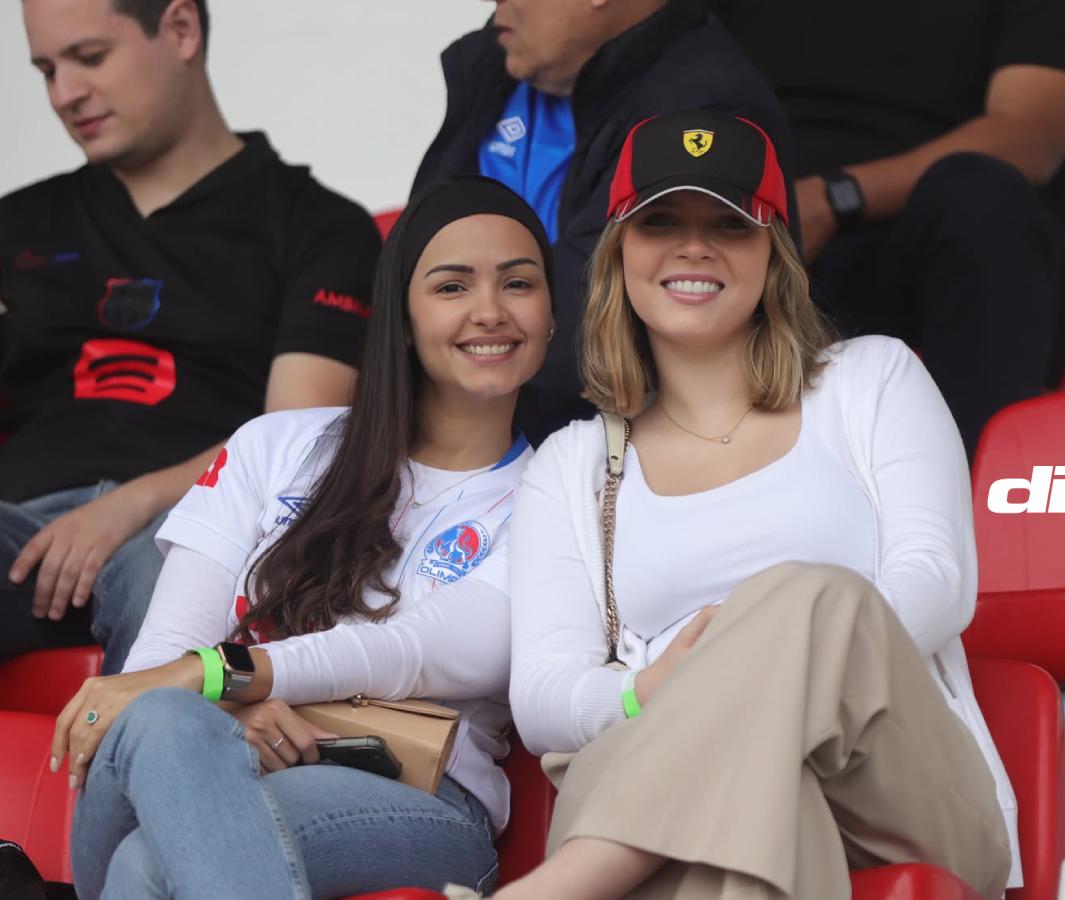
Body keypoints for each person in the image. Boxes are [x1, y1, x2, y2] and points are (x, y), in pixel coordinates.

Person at [497, 113, 1018, 899]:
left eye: (729, 224)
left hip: (895, 792)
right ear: (619, 252)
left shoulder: (872, 380)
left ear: (773, 252)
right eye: (660, 222)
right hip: (686, 791)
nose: (694, 247)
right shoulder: (570, 466)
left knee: (813, 595)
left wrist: (746, 661)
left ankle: (563, 885)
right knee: (759, 801)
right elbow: (543, 697)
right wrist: (642, 691)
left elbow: (939, 584)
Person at [53, 175, 554, 898]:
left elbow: (411, 650)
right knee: (158, 723)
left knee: (149, 859)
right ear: (401, 318)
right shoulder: (275, 447)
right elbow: (159, 664)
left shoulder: (557, 494)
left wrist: (218, 676)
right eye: (452, 286)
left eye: (518, 283)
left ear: (553, 314)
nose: (489, 311)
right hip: (211, 753)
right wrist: (233, 717)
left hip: (416, 795)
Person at [0, 0, 381, 673]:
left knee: (173, 591)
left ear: (180, 30)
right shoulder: (17, 224)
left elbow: (299, 436)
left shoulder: (319, 226)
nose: (64, 94)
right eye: (47, 71)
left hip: (193, 528)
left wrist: (131, 503)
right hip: (23, 529)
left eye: (89, 58)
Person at [705, 0, 1065, 457]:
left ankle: (975, 484)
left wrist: (832, 199)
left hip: (957, 254)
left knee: (980, 195)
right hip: (759, 220)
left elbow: (1027, 138)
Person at [412, 0, 798, 443]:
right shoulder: (499, 63)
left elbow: (588, 318)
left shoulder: (705, 101)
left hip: (566, 439)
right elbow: (412, 262)